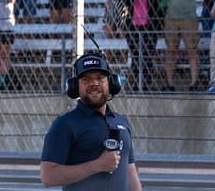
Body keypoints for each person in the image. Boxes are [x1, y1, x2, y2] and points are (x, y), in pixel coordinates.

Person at [40, 54, 142, 190]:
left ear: (111, 83)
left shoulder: (122, 122)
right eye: (86, 79)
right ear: (75, 86)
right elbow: (48, 176)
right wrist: (98, 165)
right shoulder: (65, 124)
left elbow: (130, 173)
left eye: (100, 78)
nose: (94, 83)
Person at [160, 0, 204, 91]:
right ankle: (170, 84)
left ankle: (194, 83)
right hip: (172, 19)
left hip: (189, 19)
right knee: (171, 51)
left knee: (192, 50)